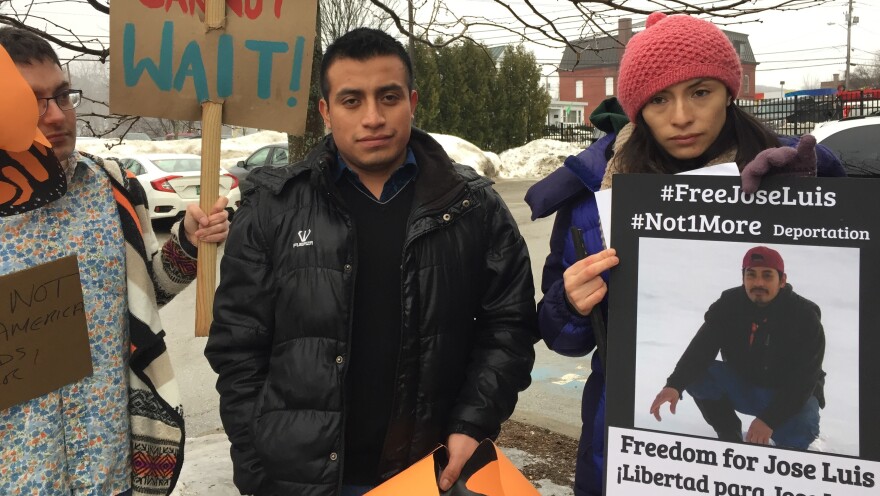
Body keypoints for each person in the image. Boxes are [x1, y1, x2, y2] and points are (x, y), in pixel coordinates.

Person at [204, 27, 538, 496]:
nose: (374, 117)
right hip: (299, 481)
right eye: (351, 100)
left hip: (429, 471)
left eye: (388, 97)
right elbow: (238, 349)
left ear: (412, 101)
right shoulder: (273, 207)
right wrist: (258, 464)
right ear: (325, 111)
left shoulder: (472, 206)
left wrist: (473, 422)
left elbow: (509, 327)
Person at [524, 12, 845, 496]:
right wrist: (568, 305)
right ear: (636, 108)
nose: (680, 116)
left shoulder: (791, 172)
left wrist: (810, 194)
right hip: (627, 453)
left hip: (781, 408)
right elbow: (563, 341)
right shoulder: (597, 197)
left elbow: (853, 269)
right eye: (657, 99)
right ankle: (726, 440)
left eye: (700, 92)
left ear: (728, 91)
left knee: (794, 437)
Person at [0, 27, 230, 496]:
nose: (57, 115)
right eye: (33, 102)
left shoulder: (113, 189)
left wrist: (187, 240)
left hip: (111, 468)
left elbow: (151, 293)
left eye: (62, 96)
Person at [650, 246, 825, 449]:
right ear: (743, 278)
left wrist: (769, 420)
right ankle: (729, 437)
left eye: (767, 276)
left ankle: (787, 453)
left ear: (782, 280)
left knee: (801, 429)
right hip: (745, 385)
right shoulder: (729, 305)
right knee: (698, 375)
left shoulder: (805, 317)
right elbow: (701, 349)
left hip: (788, 394)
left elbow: (805, 380)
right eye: (751, 275)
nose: (758, 283)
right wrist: (674, 385)